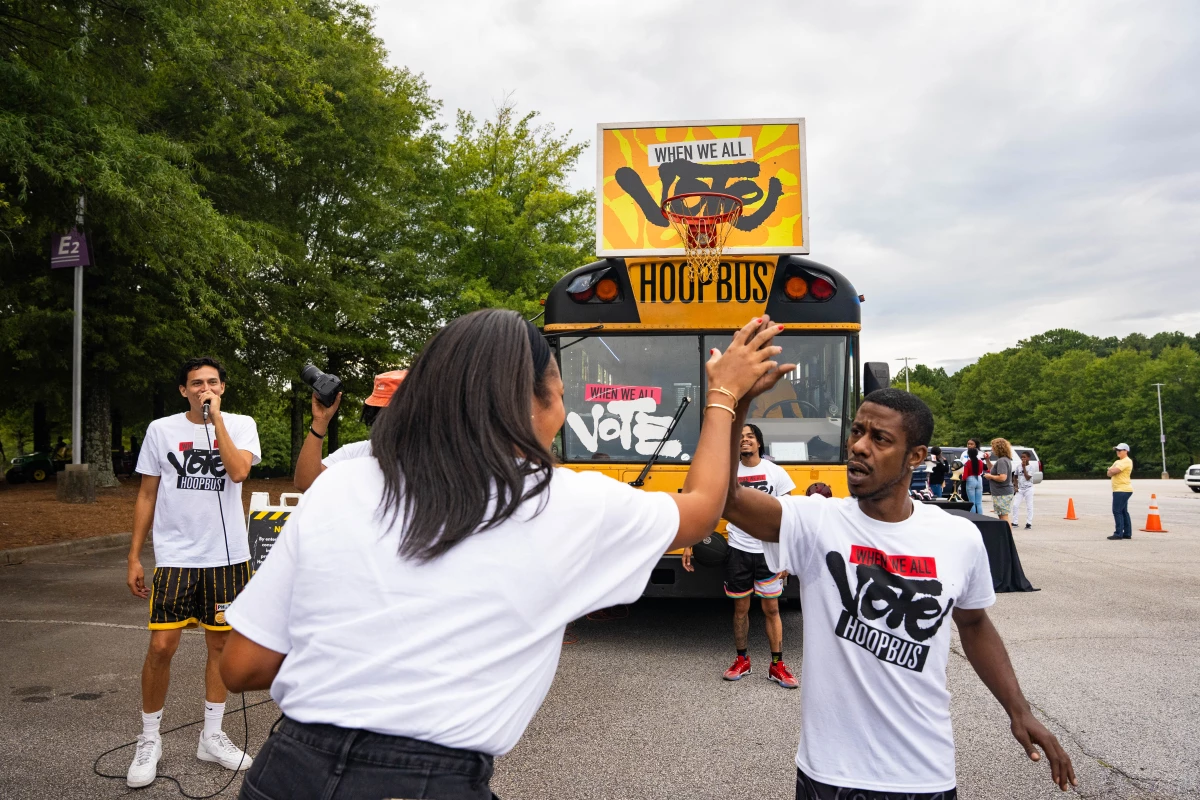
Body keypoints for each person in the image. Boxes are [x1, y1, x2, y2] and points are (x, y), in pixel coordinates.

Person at [218, 311, 790, 799]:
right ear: (530, 404)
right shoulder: (563, 502)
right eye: (560, 395)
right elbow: (702, 509)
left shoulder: (339, 485)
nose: (561, 413)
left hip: (283, 772)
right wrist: (725, 395)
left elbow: (242, 667)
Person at [723, 387, 1076, 798]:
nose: (859, 446)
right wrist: (734, 404)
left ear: (916, 456)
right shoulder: (815, 522)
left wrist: (1019, 709)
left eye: (880, 438)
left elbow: (975, 624)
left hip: (924, 773)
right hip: (830, 772)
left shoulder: (957, 536)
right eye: (857, 432)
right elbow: (723, 497)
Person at [124, 357, 261, 788]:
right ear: (183, 390)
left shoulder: (240, 424)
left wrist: (215, 421)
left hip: (227, 557)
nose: (206, 389)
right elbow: (147, 495)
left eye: (213, 382)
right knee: (161, 646)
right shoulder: (160, 429)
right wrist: (134, 556)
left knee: (220, 646)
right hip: (176, 557)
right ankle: (149, 739)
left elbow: (239, 471)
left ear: (222, 388)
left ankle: (212, 736)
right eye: (197, 383)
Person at [683, 423, 798, 688]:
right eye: (741, 437)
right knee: (740, 609)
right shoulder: (727, 474)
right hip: (738, 550)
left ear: (759, 443)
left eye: (750, 437)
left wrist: (787, 555)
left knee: (772, 609)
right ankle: (742, 660)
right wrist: (689, 541)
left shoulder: (776, 473)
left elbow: (789, 516)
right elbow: (705, 507)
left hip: (769, 551)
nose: (745, 441)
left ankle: (777, 665)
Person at [293, 369, 407, 491]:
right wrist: (320, 421)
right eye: (379, 412)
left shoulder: (423, 459)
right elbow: (306, 483)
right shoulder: (354, 454)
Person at [984, 438, 1015, 526]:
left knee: (1004, 517)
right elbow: (993, 469)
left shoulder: (1002, 461)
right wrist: (987, 460)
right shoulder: (1004, 460)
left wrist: (990, 476)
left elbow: (1002, 477)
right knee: (1001, 516)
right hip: (1000, 493)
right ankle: (1005, 533)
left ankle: (1008, 534)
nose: (992, 449)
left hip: (1002, 493)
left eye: (993, 447)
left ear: (998, 448)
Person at [1107, 443, 1134, 540]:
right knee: (1123, 511)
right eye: (1117, 450)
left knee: (1117, 511)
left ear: (1126, 451)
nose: (1117, 452)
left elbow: (1114, 471)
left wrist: (1111, 470)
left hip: (1122, 489)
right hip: (1120, 489)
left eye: (1120, 450)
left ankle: (1118, 533)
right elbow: (1108, 473)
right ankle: (1127, 533)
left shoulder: (1126, 461)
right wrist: (1111, 470)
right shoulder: (1118, 461)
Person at [1013, 451, 1036, 529]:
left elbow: (1027, 477)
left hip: (1028, 488)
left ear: (1028, 458)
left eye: (1024, 457)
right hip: (1020, 489)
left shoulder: (1031, 467)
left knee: (1029, 506)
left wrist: (1024, 468)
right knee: (1015, 505)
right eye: (1022, 457)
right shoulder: (1018, 466)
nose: (1023, 459)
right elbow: (1015, 476)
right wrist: (1016, 486)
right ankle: (1015, 522)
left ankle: (1029, 523)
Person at [961, 446, 986, 515]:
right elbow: (985, 469)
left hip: (970, 479)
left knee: (972, 502)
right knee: (979, 502)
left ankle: (973, 517)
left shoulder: (967, 463)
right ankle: (980, 517)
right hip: (979, 478)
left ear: (968, 454)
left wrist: (962, 480)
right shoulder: (980, 462)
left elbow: (965, 476)